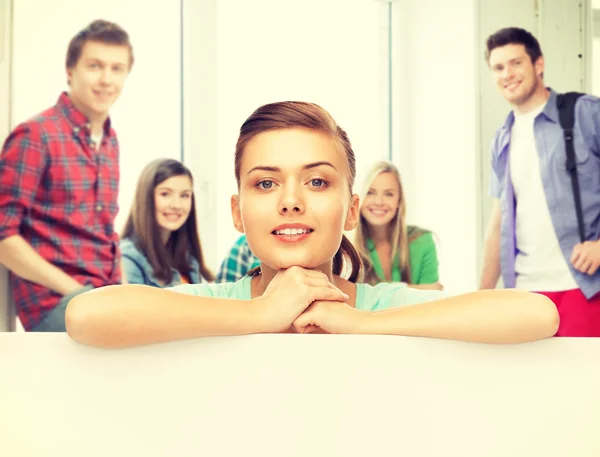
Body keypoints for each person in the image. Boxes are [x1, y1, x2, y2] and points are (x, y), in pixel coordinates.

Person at [66, 101, 559, 348]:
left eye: (318, 182)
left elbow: (537, 315)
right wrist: (261, 317)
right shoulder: (218, 306)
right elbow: (86, 316)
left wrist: (363, 323)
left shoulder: (380, 306)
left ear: (351, 210)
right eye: (265, 184)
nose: (291, 201)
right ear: (238, 212)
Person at [0, 19, 133, 332]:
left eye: (117, 69)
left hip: (103, 296)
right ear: (70, 71)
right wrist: (74, 291)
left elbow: (105, 233)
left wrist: (128, 292)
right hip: (57, 302)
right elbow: (3, 236)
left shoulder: (110, 141)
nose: (106, 79)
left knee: (171, 327)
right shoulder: (35, 135)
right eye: (95, 66)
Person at [480, 27, 600, 337]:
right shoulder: (502, 139)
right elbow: (498, 223)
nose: (508, 73)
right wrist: (481, 295)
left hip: (583, 287)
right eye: (498, 67)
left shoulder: (584, 114)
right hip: (525, 293)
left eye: (516, 63)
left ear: (538, 64)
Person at [120, 158, 214, 287]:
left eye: (184, 195)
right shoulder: (128, 259)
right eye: (165, 194)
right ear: (145, 198)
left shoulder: (188, 259)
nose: (177, 205)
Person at [354, 161, 442, 289]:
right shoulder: (345, 247)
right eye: (370, 193)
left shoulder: (422, 240)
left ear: (399, 201)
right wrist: (416, 290)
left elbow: (432, 300)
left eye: (388, 194)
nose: (379, 202)